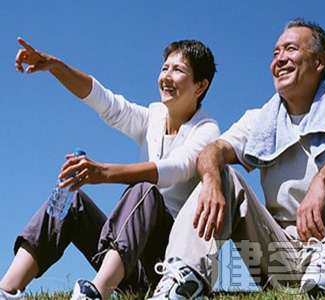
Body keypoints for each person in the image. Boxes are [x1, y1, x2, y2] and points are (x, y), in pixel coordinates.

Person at [149, 18, 325, 299]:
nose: (279, 60)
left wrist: (321, 180)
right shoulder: (260, 120)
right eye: (275, 53)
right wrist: (210, 181)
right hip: (279, 254)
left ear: (319, 62)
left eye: (290, 49)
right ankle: (183, 279)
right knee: (221, 174)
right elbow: (212, 151)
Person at [0, 38, 220, 300]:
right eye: (164, 68)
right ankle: (7, 290)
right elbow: (105, 102)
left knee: (145, 191)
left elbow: (174, 169)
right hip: (128, 256)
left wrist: (102, 173)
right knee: (75, 201)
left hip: (166, 268)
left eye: (178, 70)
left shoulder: (207, 130)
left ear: (200, 85)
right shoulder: (154, 118)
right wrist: (54, 66)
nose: (167, 77)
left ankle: (98, 292)